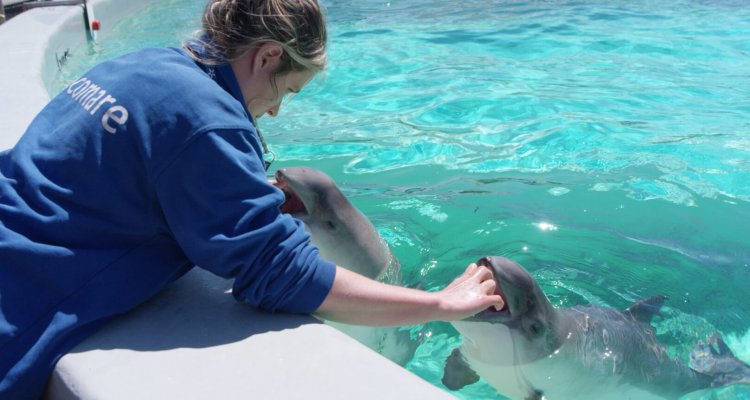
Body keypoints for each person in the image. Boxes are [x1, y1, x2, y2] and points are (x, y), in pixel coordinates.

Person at [0, 0, 504, 397]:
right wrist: (439, 304)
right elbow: (282, 277)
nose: (277, 111)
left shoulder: (140, 65)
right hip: (21, 308)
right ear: (266, 57)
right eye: (288, 90)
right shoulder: (210, 122)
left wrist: (229, 189)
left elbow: (118, 166)